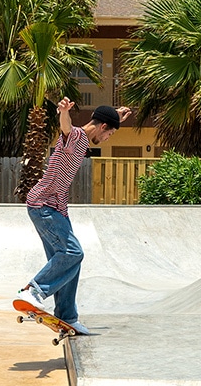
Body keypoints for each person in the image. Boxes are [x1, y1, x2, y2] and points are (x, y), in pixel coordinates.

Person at [16, 98, 132, 335]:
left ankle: (67, 316)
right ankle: (33, 290)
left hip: (55, 209)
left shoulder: (89, 134)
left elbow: (101, 121)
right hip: (44, 206)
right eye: (110, 134)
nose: (108, 139)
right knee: (73, 252)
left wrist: (115, 117)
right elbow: (67, 128)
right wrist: (63, 112)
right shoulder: (77, 137)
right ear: (102, 127)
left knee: (70, 262)